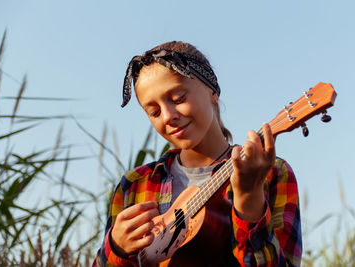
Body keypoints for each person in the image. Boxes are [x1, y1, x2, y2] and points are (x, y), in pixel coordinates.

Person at [93, 41, 302, 267]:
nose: (167, 116)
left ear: (212, 90)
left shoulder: (269, 172)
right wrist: (116, 248)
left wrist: (250, 203)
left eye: (178, 99)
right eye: (154, 112)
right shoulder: (134, 185)